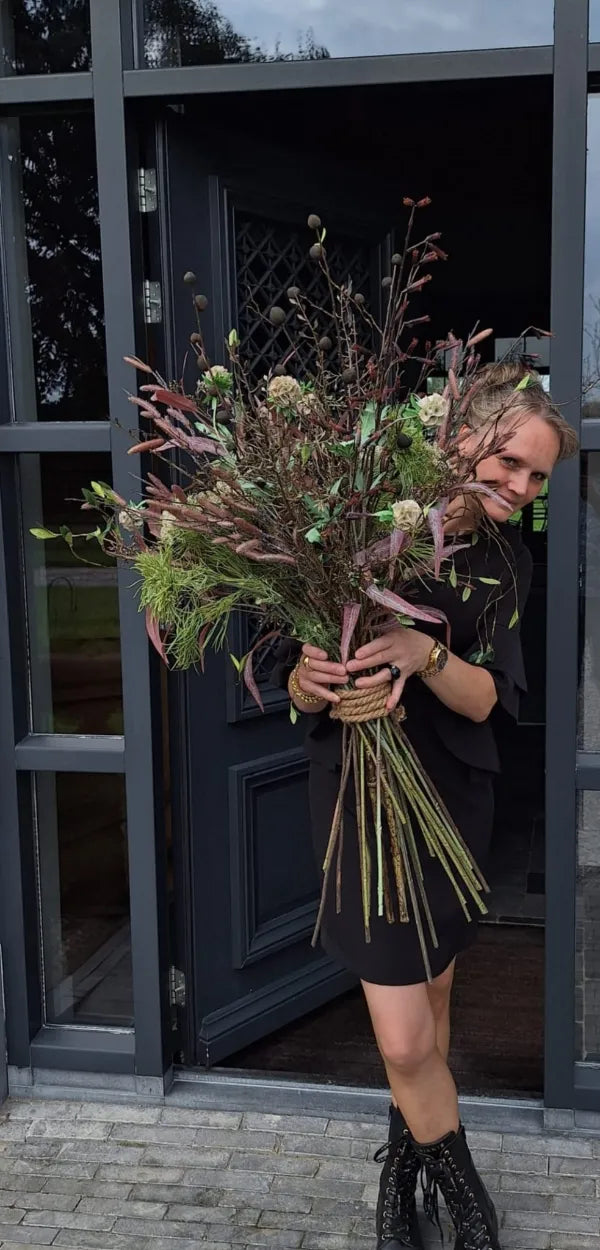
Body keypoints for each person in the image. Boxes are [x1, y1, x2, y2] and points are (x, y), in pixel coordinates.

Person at [273, 362, 578, 1250]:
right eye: (508, 462)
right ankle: (473, 1211)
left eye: (537, 477)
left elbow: (491, 702)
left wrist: (423, 652)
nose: (519, 488)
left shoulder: (508, 561)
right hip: (361, 800)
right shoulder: (361, 521)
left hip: (450, 800)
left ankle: (404, 1178)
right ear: (458, 438)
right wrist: (308, 677)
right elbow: (299, 677)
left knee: (434, 1004)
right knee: (407, 1041)